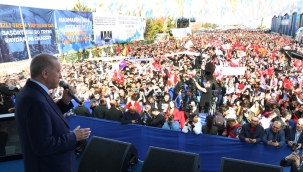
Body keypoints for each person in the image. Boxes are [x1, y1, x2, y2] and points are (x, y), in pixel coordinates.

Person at [14, 53, 91, 172]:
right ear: (45, 73)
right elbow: (43, 145)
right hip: (50, 167)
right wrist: (73, 137)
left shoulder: (32, 92)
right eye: (58, 72)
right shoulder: (35, 100)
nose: (61, 76)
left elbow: (44, 118)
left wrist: (64, 102)